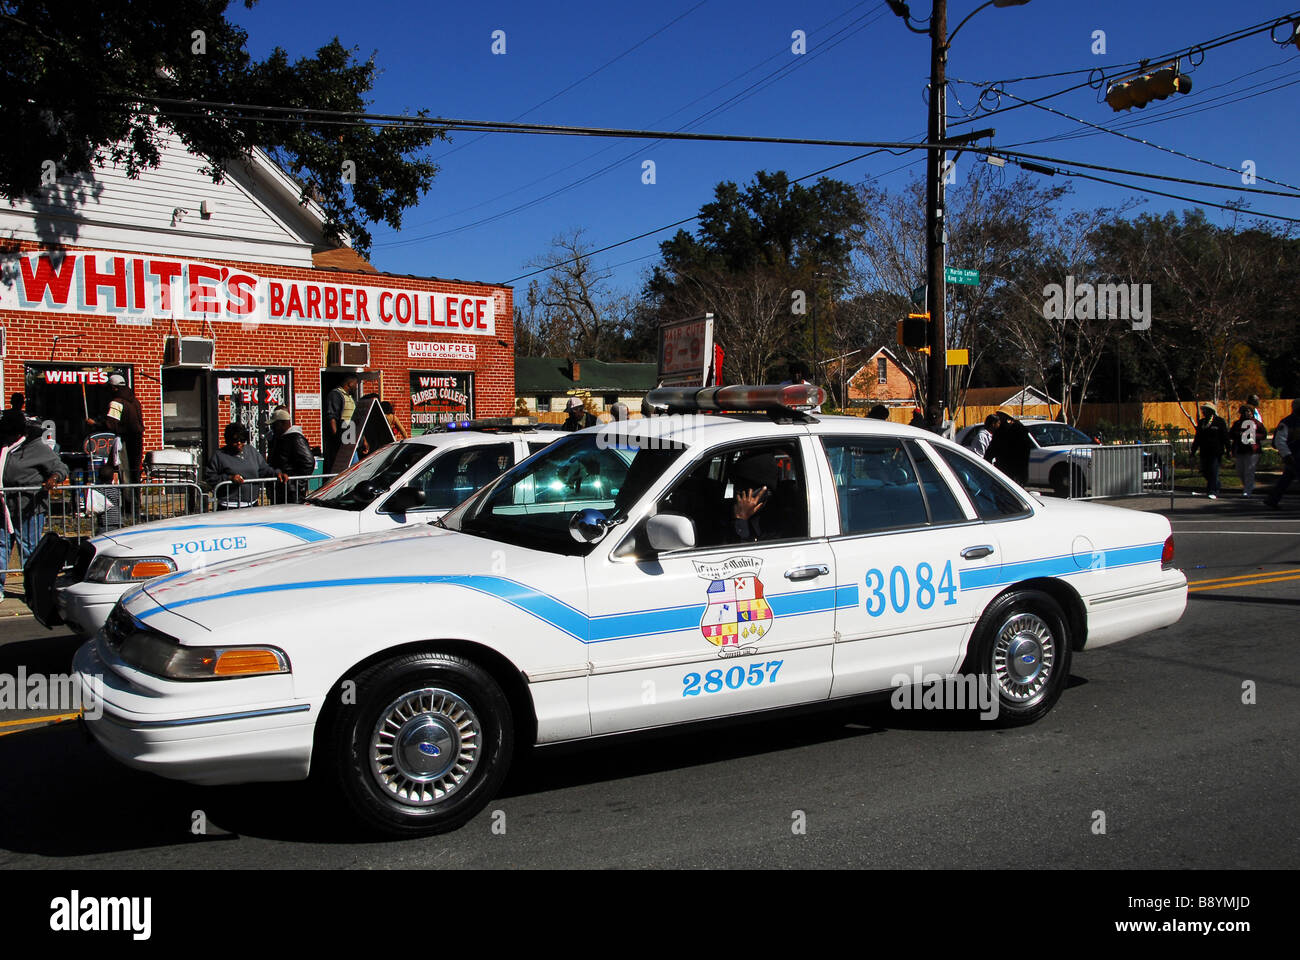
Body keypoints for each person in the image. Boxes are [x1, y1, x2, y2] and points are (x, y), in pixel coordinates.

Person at [0, 418, 69, 591]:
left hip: (28, 507)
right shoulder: (3, 448)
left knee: (29, 550)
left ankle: (33, 589)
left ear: (18, 434)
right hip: (4, 507)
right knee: (2, 547)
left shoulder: (36, 447)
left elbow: (60, 467)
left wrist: (53, 478)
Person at [207, 422, 283, 509]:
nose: (239, 443)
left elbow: (264, 469)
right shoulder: (219, 455)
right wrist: (229, 478)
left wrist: (277, 473)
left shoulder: (251, 451)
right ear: (228, 440)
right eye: (235, 440)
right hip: (229, 506)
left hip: (252, 504)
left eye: (242, 440)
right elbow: (210, 477)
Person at [92, 374, 145, 487]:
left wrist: (95, 424)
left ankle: (128, 502)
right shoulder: (135, 401)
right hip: (138, 440)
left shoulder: (116, 402)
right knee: (135, 472)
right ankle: (136, 501)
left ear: (114, 388)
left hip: (125, 441)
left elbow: (110, 425)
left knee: (125, 473)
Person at [267, 408, 316, 503]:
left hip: (291, 492)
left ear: (282, 423)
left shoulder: (295, 438)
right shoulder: (281, 438)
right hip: (281, 489)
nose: (272, 429)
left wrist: (295, 483)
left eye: (274, 425)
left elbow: (308, 462)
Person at [1265, 397, 1300, 510]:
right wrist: (1287, 455)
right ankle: (1272, 499)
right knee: (1287, 478)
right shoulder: (1287, 422)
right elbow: (1279, 441)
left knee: (1286, 479)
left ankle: (1272, 499)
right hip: (1294, 456)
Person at [1190, 403, 1229, 500]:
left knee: (1213, 471)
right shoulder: (1202, 422)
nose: (1204, 412)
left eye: (1206, 410)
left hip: (1216, 451)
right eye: (1203, 410)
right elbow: (1197, 438)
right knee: (1205, 471)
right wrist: (1193, 451)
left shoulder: (1219, 422)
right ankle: (1216, 484)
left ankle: (1212, 490)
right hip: (1204, 451)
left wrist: (1228, 449)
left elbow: (1225, 437)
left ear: (1211, 411)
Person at [984, 411, 1032, 487]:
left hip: (1008, 469)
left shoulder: (1004, 432)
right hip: (1012, 470)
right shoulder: (1019, 429)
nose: (999, 419)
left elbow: (991, 451)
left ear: (1005, 417)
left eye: (1000, 417)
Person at [323, 375, 358, 469]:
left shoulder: (350, 397)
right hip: (343, 435)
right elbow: (331, 416)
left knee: (355, 465)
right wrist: (336, 436)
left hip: (352, 435)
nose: (357, 387)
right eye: (356, 384)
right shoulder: (336, 394)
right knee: (350, 467)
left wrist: (363, 440)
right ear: (350, 383)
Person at [1229, 404, 1262, 498]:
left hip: (1252, 450)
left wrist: (1253, 435)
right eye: (1244, 411)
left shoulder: (1256, 423)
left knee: (1249, 470)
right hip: (1240, 449)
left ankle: (1248, 490)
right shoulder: (1237, 424)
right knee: (1240, 471)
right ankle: (1248, 485)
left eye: (1248, 411)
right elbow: (1231, 434)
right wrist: (1239, 434)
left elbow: (1263, 434)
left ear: (1251, 413)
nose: (1246, 413)